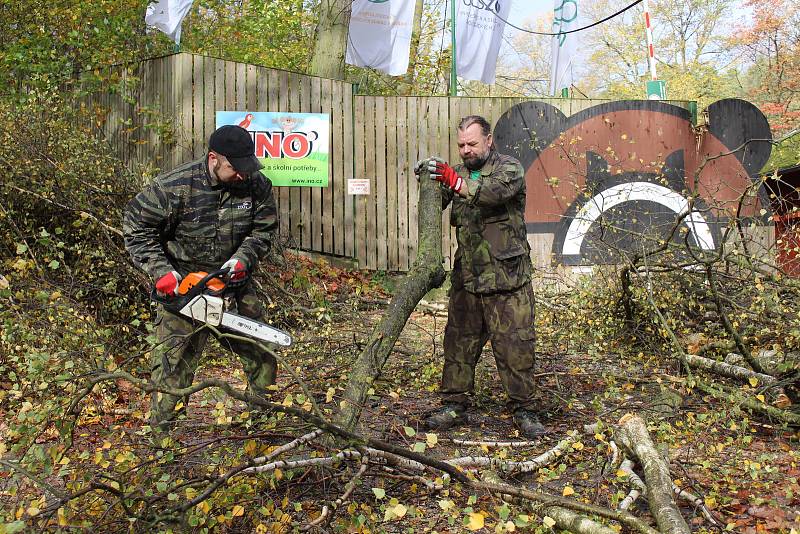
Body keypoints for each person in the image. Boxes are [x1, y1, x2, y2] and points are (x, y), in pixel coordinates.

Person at [123, 125, 278, 431]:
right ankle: (162, 445)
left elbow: (263, 230)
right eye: (235, 168)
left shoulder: (256, 185)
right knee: (171, 368)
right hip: (184, 286)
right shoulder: (173, 186)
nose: (242, 175)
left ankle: (263, 427)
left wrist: (241, 260)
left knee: (263, 355)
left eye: (246, 167)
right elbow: (136, 228)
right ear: (213, 159)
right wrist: (160, 271)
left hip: (232, 285)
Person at [414, 115, 546, 438]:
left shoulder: (509, 169)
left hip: (508, 281)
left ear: (489, 141)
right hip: (469, 279)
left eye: (472, 144)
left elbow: (489, 194)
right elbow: (438, 198)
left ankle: (524, 409)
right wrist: (429, 178)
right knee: (458, 344)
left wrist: (453, 181)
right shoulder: (458, 174)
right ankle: (454, 403)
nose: (466, 150)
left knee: (516, 347)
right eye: (461, 145)